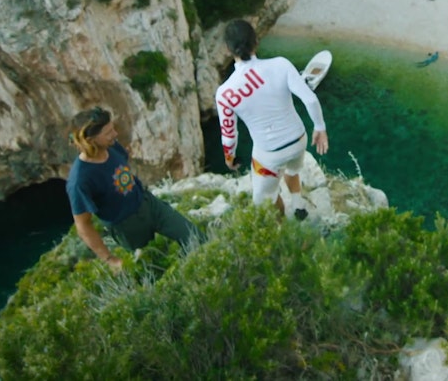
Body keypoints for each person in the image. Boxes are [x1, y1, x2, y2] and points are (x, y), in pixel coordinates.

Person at [215, 19, 329, 216]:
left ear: (227, 49)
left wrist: (229, 158)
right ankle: (298, 205)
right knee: (293, 171)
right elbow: (310, 99)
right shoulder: (280, 64)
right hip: (298, 140)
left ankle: (280, 228)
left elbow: (230, 135)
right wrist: (320, 127)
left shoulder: (225, 93)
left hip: (269, 154)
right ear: (256, 42)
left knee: (264, 199)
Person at [66, 106, 200, 270]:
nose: (115, 134)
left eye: (112, 129)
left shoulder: (111, 146)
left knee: (194, 236)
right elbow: (83, 225)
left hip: (148, 204)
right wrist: (109, 259)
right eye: (108, 133)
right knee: (150, 269)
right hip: (127, 227)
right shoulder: (80, 180)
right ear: (91, 140)